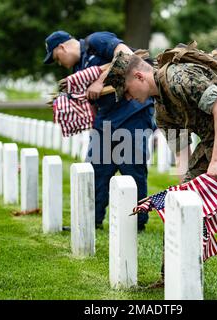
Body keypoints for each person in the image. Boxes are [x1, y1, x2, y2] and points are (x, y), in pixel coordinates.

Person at [104, 52, 217, 297]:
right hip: (214, 143)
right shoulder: (161, 108)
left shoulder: (179, 78)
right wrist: (185, 190)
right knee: (177, 205)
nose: (126, 96)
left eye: (125, 89)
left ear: (138, 76)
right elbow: (181, 153)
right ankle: (171, 277)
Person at [43, 31, 156, 231]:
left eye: (57, 58)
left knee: (132, 169)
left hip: (132, 113)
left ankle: (137, 222)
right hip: (105, 119)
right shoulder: (79, 68)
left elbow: (127, 54)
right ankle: (92, 219)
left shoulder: (96, 41)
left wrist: (100, 81)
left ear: (62, 47)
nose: (60, 63)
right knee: (96, 170)